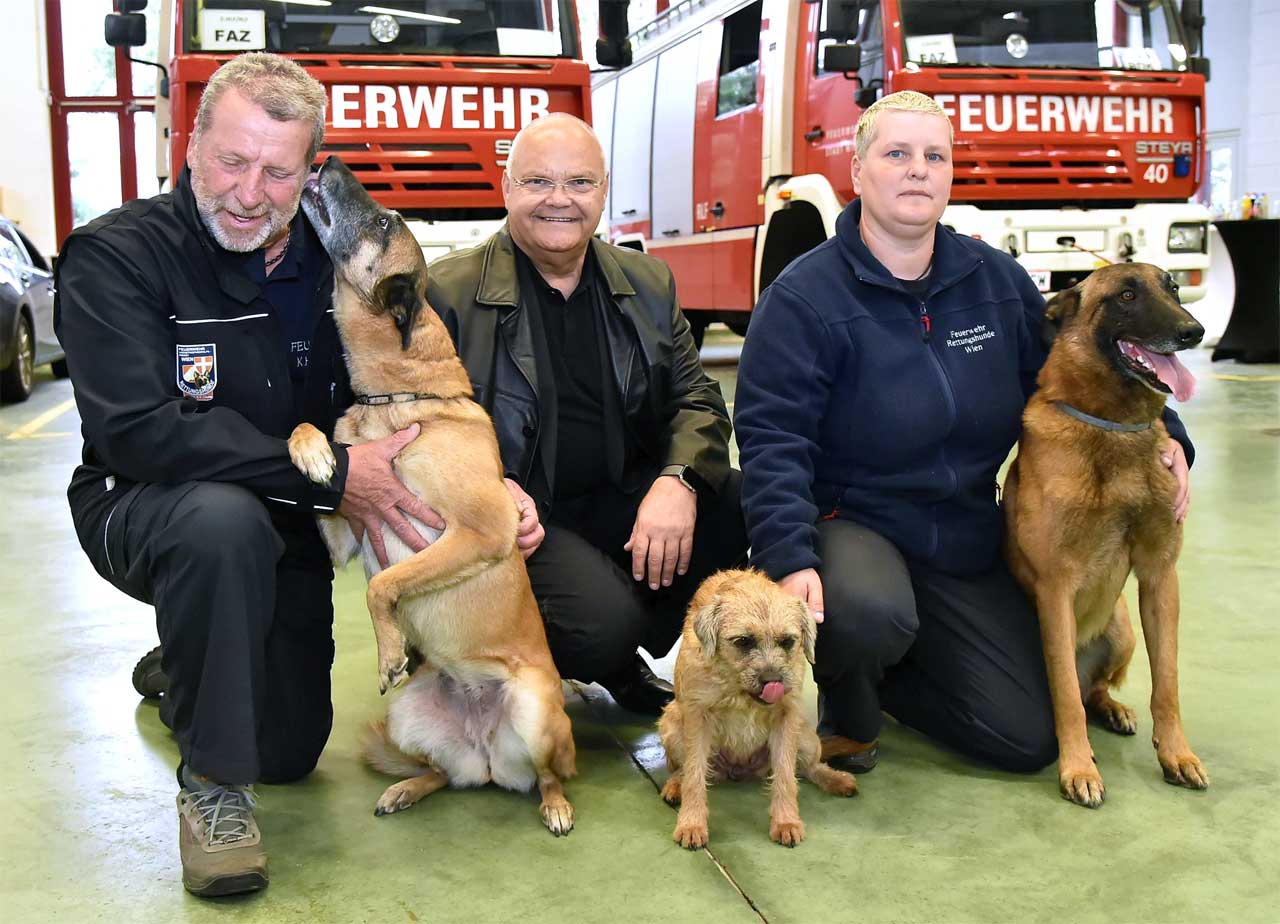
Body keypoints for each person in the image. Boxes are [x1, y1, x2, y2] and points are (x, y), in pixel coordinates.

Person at [54, 53, 448, 897]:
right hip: (146, 505)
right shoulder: (115, 256)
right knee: (218, 522)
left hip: (288, 517)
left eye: (277, 172)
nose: (248, 193)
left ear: (309, 174)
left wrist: (489, 476)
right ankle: (212, 795)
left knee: (291, 751)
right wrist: (332, 476)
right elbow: (138, 432)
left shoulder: (335, 263)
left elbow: (417, 366)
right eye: (232, 162)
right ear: (191, 146)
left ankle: (190, 660)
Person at [733, 91, 1194, 775]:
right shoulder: (804, 298)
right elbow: (772, 442)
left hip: (964, 535)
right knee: (866, 612)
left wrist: (1172, 435)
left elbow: (1081, 368)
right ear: (858, 172)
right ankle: (854, 708)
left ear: (950, 174)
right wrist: (790, 555)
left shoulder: (996, 282)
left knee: (1027, 740)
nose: (917, 170)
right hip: (852, 529)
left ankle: (903, 679)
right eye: (897, 154)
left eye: (934, 156)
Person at [426, 114, 748, 713]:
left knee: (735, 501)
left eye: (579, 182)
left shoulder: (647, 281)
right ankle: (584, 651)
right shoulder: (448, 293)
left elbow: (697, 398)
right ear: (506, 188)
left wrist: (677, 480)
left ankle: (628, 641)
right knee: (600, 626)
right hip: (525, 519)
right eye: (537, 182)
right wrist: (488, 489)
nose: (559, 200)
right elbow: (419, 428)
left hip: (622, 494)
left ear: (603, 191)